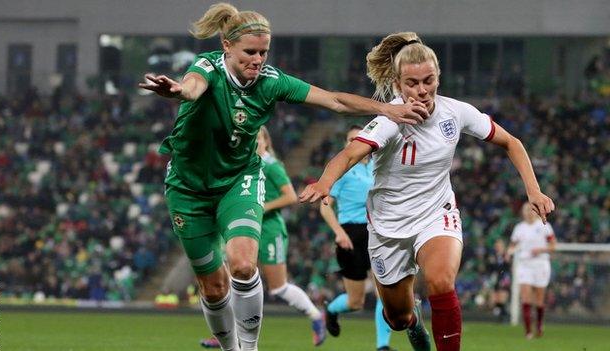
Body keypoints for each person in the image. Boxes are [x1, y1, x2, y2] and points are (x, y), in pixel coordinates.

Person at [139, 3, 429, 350]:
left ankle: (250, 348)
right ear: (226, 46)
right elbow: (193, 86)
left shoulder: (271, 82)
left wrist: (386, 108)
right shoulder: (206, 68)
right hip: (188, 190)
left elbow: (333, 100)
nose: (257, 60)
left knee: (244, 265)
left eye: (263, 52)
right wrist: (178, 92)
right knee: (213, 287)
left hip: (238, 180)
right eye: (249, 52)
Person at [299, 31, 555, 351]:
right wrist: (324, 183)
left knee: (441, 281)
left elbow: (511, 142)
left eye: (428, 80)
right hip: (388, 224)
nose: (422, 90)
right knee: (398, 317)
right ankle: (414, 321)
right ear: (397, 84)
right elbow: (351, 153)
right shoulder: (389, 120)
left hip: (436, 213)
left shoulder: (456, 112)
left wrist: (534, 191)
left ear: (438, 77)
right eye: (412, 83)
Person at [200, 126, 326, 349]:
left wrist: (260, 206)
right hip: (241, 228)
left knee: (278, 287)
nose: (254, 143)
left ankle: (316, 316)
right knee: (232, 281)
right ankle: (228, 334)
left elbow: (290, 196)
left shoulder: (271, 166)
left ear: (266, 142)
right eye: (251, 138)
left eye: (258, 139)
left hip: (269, 230)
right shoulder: (240, 164)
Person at [319, 125, 397, 351]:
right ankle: (332, 310)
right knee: (356, 302)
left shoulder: (377, 166)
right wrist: (339, 233)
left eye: (358, 138)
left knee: (385, 288)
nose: (354, 142)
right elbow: (325, 208)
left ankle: (383, 345)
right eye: (350, 139)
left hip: (377, 232)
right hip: (351, 234)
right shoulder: (341, 171)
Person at [507, 202, 556, 339]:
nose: (528, 212)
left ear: (535, 211)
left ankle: (539, 325)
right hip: (524, 264)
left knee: (539, 299)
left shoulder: (544, 226)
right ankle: (528, 331)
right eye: (526, 210)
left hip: (540, 263)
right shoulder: (519, 228)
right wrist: (509, 252)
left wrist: (541, 249)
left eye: (530, 209)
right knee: (526, 296)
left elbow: (553, 246)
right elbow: (512, 245)